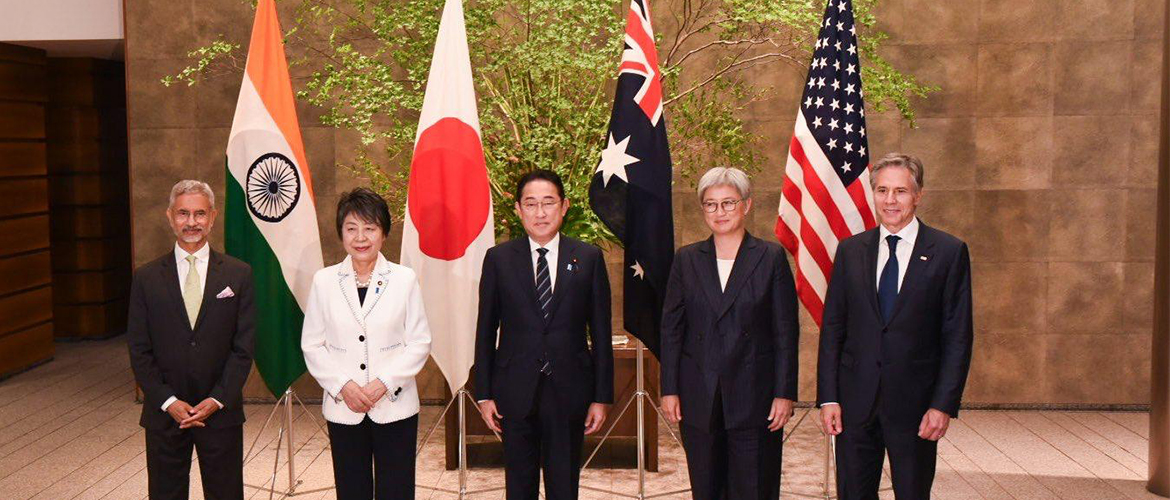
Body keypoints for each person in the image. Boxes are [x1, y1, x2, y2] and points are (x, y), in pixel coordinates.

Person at [817, 153, 973, 500]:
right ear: (872, 194)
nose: (890, 201)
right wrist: (828, 397)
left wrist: (942, 405)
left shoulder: (948, 252)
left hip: (916, 408)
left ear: (918, 195)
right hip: (854, 407)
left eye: (900, 191)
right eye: (883, 190)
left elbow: (957, 337)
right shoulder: (850, 251)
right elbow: (833, 331)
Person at [659, 167, 800, 500]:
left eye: (728, 203)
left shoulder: (770, 257)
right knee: (707, 488)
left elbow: (785, 331)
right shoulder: (687, 259)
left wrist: (785, 392)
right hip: (699, 395)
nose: (719, 212)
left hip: (756, 396)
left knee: (754, 487)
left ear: (746, 205)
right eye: (710, 204)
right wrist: (670, 389)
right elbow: (671, 331)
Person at [473, 169, 614, 500]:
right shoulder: (499, 259)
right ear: (519, 210)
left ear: (564, 207)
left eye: (548, 203)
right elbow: (485, 330)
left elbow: (602, 331)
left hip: (570, 389)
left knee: (564, 485)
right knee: (518, 486)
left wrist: (601, 396)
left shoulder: (589, 258)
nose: (540, 212)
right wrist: (484, 394)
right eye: (531, 204)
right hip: (514, 390)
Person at [300, 188, 432, 500]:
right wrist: (344, 385)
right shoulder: (324, 281)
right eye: (352, 228)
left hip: (395, 405)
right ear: (341, 233)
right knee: (351, 489)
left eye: (370, 228)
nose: (361, 237)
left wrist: (382, 384)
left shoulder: (404, 279)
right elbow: (312, 345)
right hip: (344, 406)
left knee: (396, 490)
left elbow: (419, 342)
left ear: (384, 232)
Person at [127, 180, 254, 500]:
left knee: (226, 492)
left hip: (220, 410)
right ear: (170, 217)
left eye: (199, 214)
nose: (192, 222)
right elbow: (139, 349)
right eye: (183, 214)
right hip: (165, 411)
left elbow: (244, 347)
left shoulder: (238, 275)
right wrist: (167, 401)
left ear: (212, 217)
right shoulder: (146, 278)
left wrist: (218, 398)